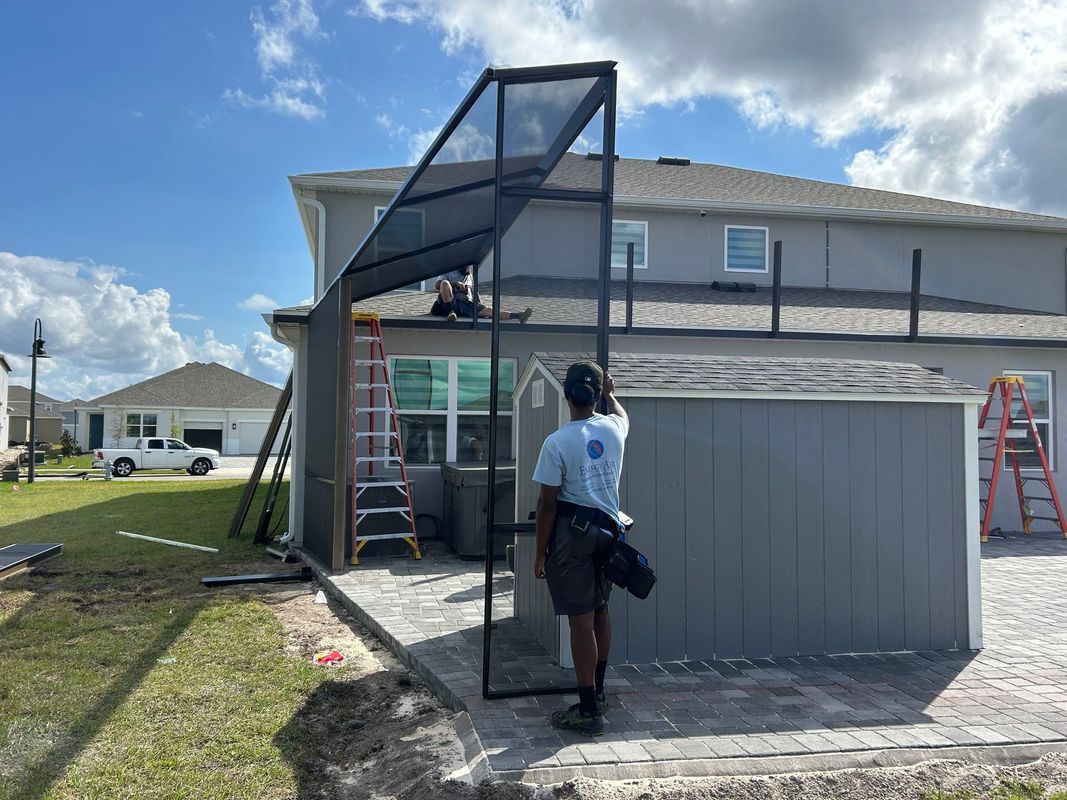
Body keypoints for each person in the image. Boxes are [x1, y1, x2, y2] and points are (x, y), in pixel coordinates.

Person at [532, 360, 628, 736]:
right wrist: (612, 394)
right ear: (595, 394)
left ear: (567, 394)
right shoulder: (615, 427)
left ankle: (588, 711)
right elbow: (621, 412)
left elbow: (548, 504)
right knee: (601, 612)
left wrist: (541, 553)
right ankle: (598, 693)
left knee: (581, 622)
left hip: (574, 539)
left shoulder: (557, 442)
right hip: (608, 534)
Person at [430, 266, 533, 323]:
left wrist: (479, 306)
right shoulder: (449, 271)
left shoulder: (470, 276)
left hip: (465, 304)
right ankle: (451, 313)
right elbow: (438, 285)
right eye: (466, 266)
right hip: (450, 302)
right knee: (445, 283)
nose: (468, 268)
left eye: (468, 267)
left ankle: (519, 316)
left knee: (488, 310)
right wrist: (456, 285)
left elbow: (475, 292)